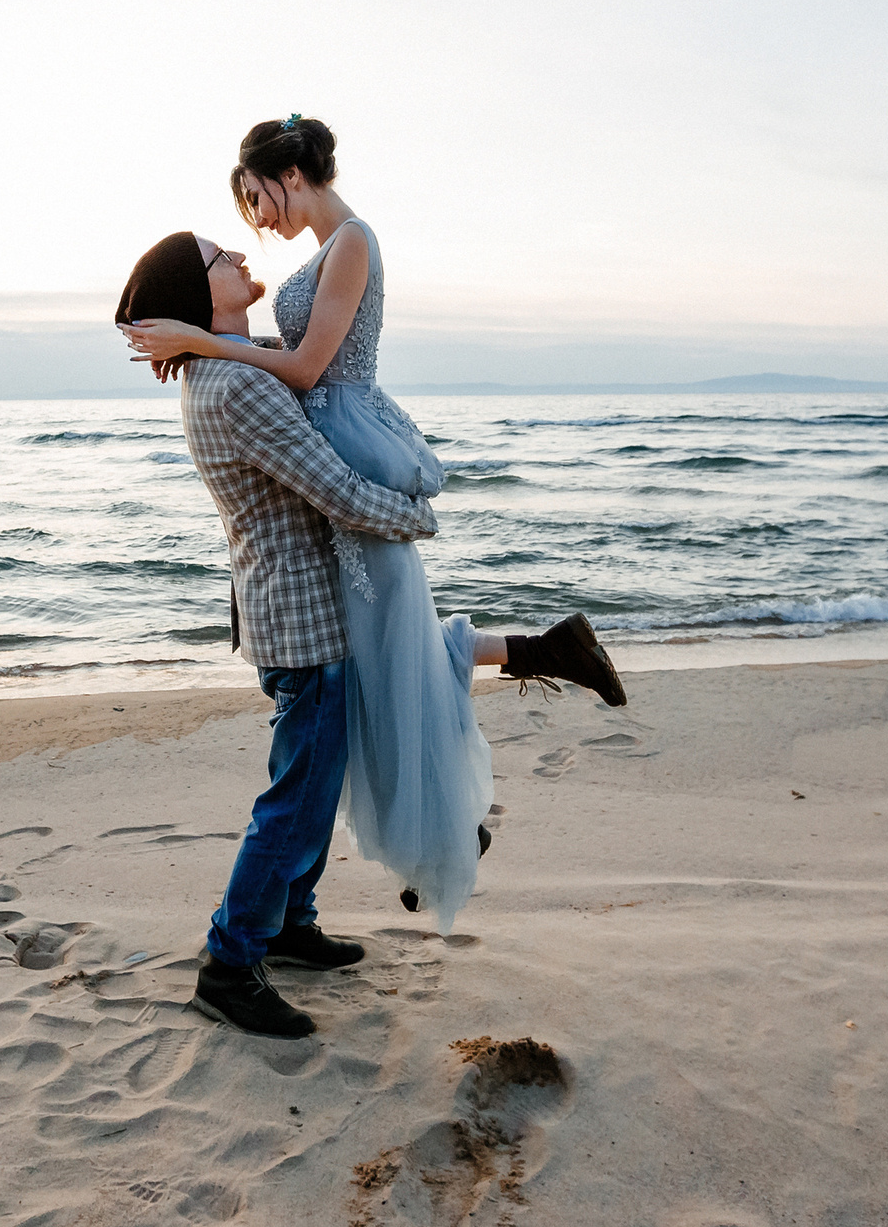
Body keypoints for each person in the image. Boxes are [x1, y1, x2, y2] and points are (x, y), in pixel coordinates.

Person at [124, 117, 625, 931]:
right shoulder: (317, 263)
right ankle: (531, 678)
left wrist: (201, 341)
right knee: (396, 649)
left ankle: (446, 816)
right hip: (335, 444)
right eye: (245, 214)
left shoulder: (351, 240)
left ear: (290, 170)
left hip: (348, 437)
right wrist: (204, 341)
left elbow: (305, 369)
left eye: (258, 198)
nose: (259, 223)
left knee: (396, 652)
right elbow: (290, 373)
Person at [116, 228, 433, 1040]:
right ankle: (230, 961)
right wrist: (414, 516)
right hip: (302, 617)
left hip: (281, 606)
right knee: (295, 796)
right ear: (200, 290)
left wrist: (188, 335)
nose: (242, 261)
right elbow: (330, 487)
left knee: (312, 783)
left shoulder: (220, 367)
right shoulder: (235, 386)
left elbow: (286, 357)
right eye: (224, 259)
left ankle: (290, 922)